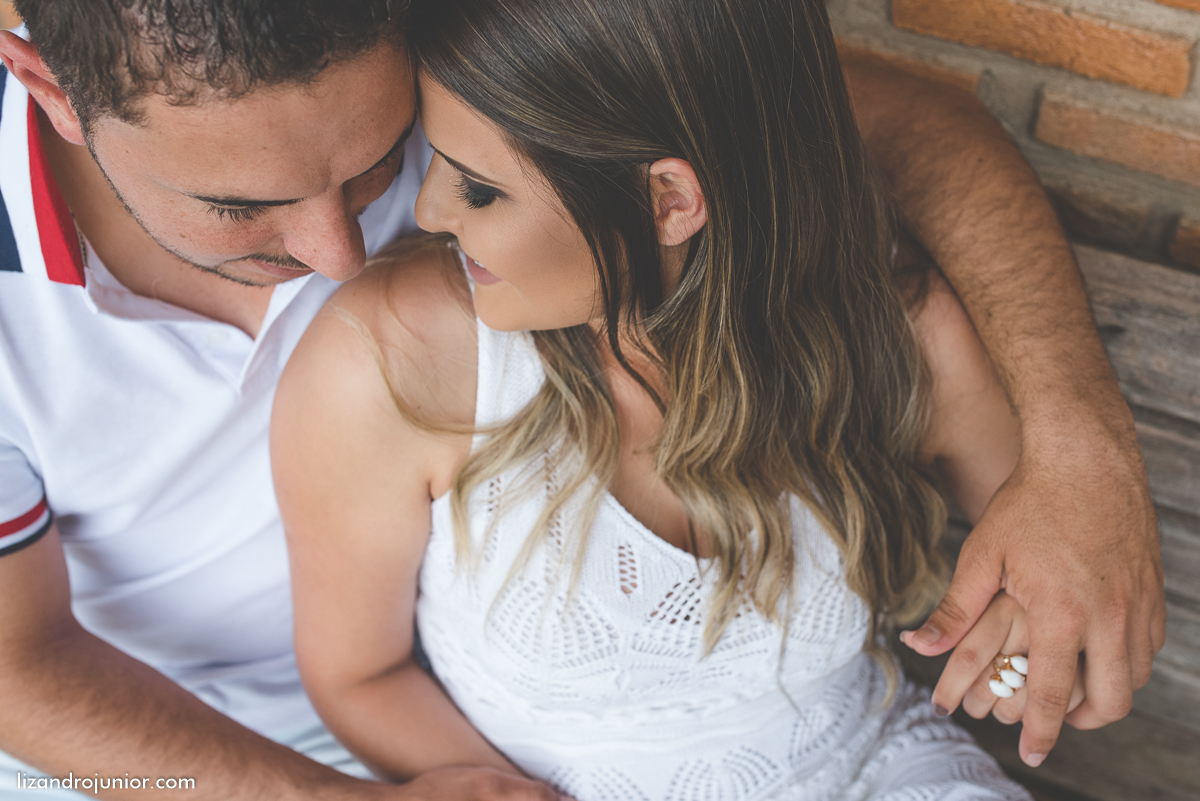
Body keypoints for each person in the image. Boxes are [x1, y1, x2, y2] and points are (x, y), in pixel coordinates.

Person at [0, 0, 1159, 797]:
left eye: (375, 164)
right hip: (143, 756)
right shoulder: (399, 340)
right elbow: (16, 671)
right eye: (237, 206)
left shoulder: (456, 87)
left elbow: (827, 127)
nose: (341, 255)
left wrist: (1081, 456)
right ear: (47, 88)